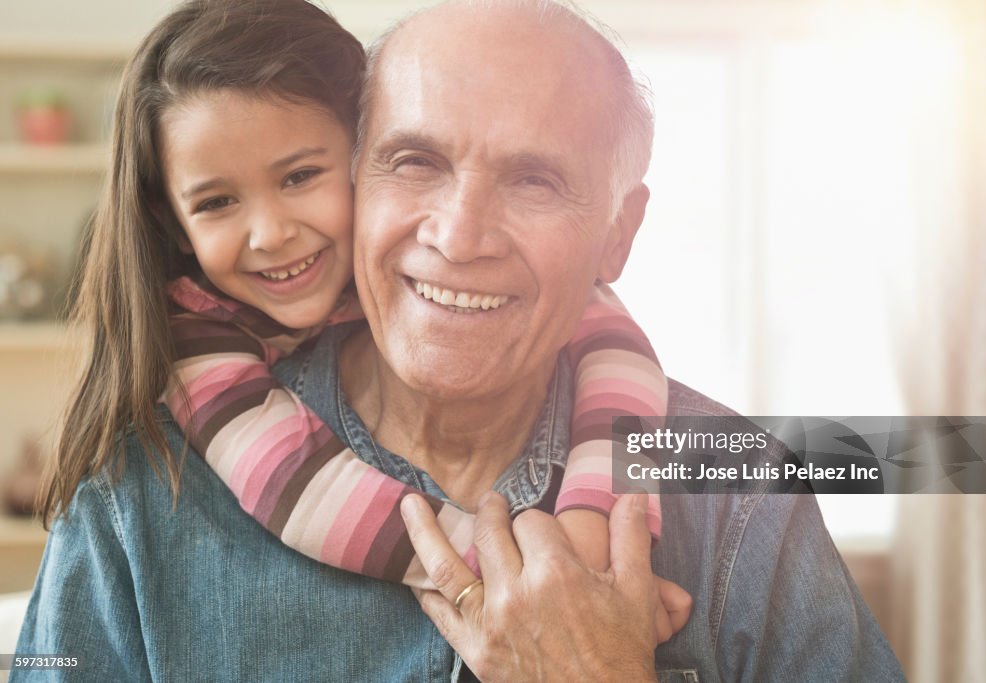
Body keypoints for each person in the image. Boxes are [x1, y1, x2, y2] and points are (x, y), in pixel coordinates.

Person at [15, 1, 905, 682]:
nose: (460, 234)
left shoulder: (743, 491)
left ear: (618, 234)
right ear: (358, 173)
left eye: (534, 179)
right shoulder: (138, 496)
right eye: (416, 162)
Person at [34, 0, 685, 626]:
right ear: (172, 224)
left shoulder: (760, 477)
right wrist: (535, 577)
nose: (271, 234)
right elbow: (299, 487)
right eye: (418, 161)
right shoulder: (174, 416)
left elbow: (613, 338)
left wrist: (595, 521)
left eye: (298, 178)